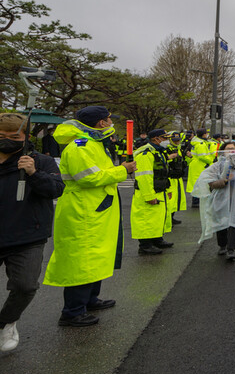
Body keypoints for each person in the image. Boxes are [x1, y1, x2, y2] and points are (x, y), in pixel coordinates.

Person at [44, 107, 136, 327]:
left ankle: (90, 300)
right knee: (82, 261)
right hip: (82, 211)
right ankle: (72, 311)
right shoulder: (80, 147)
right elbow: (89, 178)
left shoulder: (94, 144)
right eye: (107, 120)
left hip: (95, 210)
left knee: (95, 257)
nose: (110, 123)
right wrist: (122, 170)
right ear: (100, 123)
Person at [0, 113, 65, 351]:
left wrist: (33, 174)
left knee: (25, 285)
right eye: (1, 136)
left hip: (28, 235)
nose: (7, 140)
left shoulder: (39, 161)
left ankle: (6, 321)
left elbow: (56, 189)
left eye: (13, 136)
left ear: (25, 136)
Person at [193, 143, 235, 261]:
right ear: (222, 151)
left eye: (233, 149)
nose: (230, 151)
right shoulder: (216, 166)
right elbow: (209, 181)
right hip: (220, 199)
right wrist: (223, 181)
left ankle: (231, 249)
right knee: (221, 222)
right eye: (228, 149)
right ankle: (222, 245)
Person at [130, 129, 175, 255]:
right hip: (148, 192)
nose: (167, 141)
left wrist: (168, 189)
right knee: (146, 219)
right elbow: (144, 177)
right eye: (164, 138)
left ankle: (156, 239)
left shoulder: (158, 152)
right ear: (156, 139)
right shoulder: (146, 154)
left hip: (159, 190)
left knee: (157, 218)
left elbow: (164, 172)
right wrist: (149, 195)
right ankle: (145, 245)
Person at [187, 129, 214, 206]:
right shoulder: (201, 144)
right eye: (206, 133)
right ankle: (196, 202)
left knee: (197, 183)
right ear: (204, 135)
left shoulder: (197, 142)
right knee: (199, 183)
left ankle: (196, 201)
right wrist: (211, 161)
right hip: (200, 165)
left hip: (197, 165)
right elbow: (202, 156)